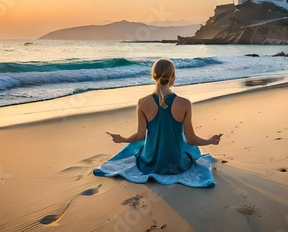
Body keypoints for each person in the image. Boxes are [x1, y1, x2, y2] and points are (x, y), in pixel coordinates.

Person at [93, 58, 223, 188]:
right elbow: (192, 140)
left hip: (150, 164)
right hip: (177, 165)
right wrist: (210, 141)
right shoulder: (185, 103)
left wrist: (122, 139)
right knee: (190, 147)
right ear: (172, 77)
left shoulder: (142, 102)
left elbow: (140, 136)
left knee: (137, 146)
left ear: (153, 76)